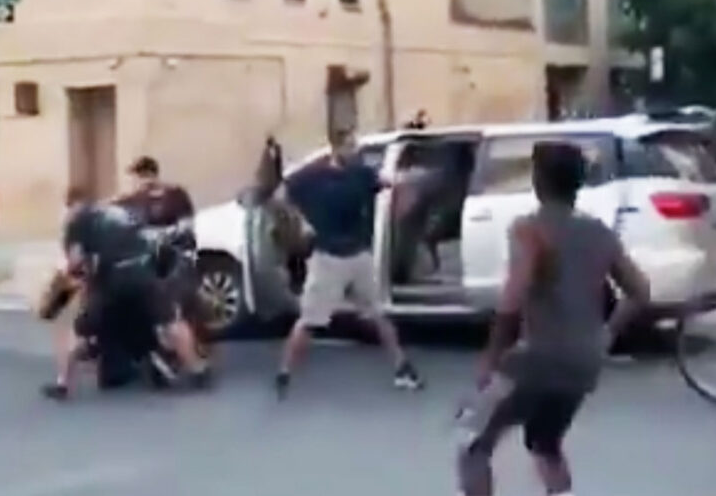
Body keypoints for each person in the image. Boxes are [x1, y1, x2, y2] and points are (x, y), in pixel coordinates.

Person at [456, 141, 651, 496]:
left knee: (473, 441)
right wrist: (606, 334)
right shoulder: (599, 233)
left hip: (537, 357)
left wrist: (492, 357)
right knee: (545, 443)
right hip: (583, 360)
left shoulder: (529, 229)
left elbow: (515, 294)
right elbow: (640, 291)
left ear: (537, 179)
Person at [275, 129, 424, 397]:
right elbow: (280, 195)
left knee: (379, 315)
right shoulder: (312, 178)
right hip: (327, 260)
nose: (354, 151)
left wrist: (406, 192)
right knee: (309, 321)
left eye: (355, 146)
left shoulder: (362, 174)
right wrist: (301, 222)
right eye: (348, 146)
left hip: (359, 257)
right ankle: (284, 373)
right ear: (335, 149)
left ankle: (401, 367)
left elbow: (392, 184)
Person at [41, 187, 210, 400]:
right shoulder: (119, 212)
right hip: (144, 269)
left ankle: (63, 384)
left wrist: (71, 277)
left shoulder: (78, 221)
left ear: (72, 205)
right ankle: (197, 369)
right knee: (170, 321)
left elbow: (75, 261)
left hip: (115, 277)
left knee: (79, 329)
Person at [117, 156, 212, 355]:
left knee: (184, 297)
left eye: (139, 176)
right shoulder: (130, 201)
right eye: (136, 178)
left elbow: (187, 224)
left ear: (149, 175)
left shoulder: (175, 196)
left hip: (176, 257)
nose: (138, 182)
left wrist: (167, 234)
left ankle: (196, 344)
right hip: (146, 260)